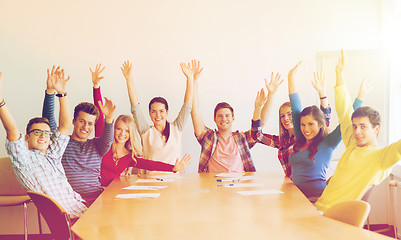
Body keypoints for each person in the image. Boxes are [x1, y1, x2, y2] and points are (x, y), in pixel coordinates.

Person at [315, 50, 401, 212]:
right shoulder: (352, 144)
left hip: (333, 217)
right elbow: (344, 108)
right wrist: (339, 73)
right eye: (355, 126)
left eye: (363, 127)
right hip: (318, 209)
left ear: (376, 129)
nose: (357, 131)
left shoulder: (382, 156)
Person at [1, 67, 87, 219]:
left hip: (83, 209)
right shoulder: (24, 160)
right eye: (37, 132)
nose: (43, 136)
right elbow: (12, 130)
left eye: (47, 133)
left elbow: (65, 126)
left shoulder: (52, 155)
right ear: (27, 138)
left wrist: (62, 94)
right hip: (71, 220)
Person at [90, 64, 191, 186]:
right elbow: (132, 108)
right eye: (119, 129)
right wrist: (98, 86)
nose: (122, 134)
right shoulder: (106, 143)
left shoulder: (129, 157)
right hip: (99, 188)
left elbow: (150, 164)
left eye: (127, 131)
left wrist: (174, 168)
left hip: (173, 181)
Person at [42, 66, 116, 206]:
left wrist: (109, 119)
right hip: (70, 201)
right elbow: (48, 121)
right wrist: (50, 92)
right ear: (74, 121)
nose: (85, 127)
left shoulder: (98, 146)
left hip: (96, 200)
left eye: (90, 124)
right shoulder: (62, 143)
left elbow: (108, 139)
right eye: (82, 121)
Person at [251, 71, 332, 179]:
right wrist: (258, 107)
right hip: (291, 185)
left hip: (308, 186)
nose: (286, 118)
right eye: (282, 116)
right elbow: (256, 135)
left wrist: (322, 94)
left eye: (289, 114)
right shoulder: (282, 141)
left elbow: (325, 121)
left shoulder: (307, 137)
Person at [285, 61, 344, 200]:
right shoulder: (301, 139)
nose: (306, 129)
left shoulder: (328, 142)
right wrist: (291, 78)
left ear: (320, 124)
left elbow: (347, 119)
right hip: (296, 198)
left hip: (315, 199)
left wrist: (360, 96)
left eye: (311, 124)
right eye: (302, 124)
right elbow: (295, 109)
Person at [122, 60, 193, 170]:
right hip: (151, 182)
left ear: (167, 112)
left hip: (174, 181)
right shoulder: (146, 131)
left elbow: (187, 105)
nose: (157, 115)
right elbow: (135, 107)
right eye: (153, 111)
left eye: (161, 111)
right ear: (149, 113)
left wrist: (190, 78)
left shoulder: (176, 128)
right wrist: (129, 79)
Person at [189, 61, 258, 173]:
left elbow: (260, 125)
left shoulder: (242, 138)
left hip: (238, 185)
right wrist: (194, 81)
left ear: (233, 118)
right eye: (220, 116)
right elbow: (195, 111)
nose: (224, 119)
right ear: (214, 119)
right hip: (213, 185)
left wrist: (260, 105)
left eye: (227, 116)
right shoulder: (208, 138)